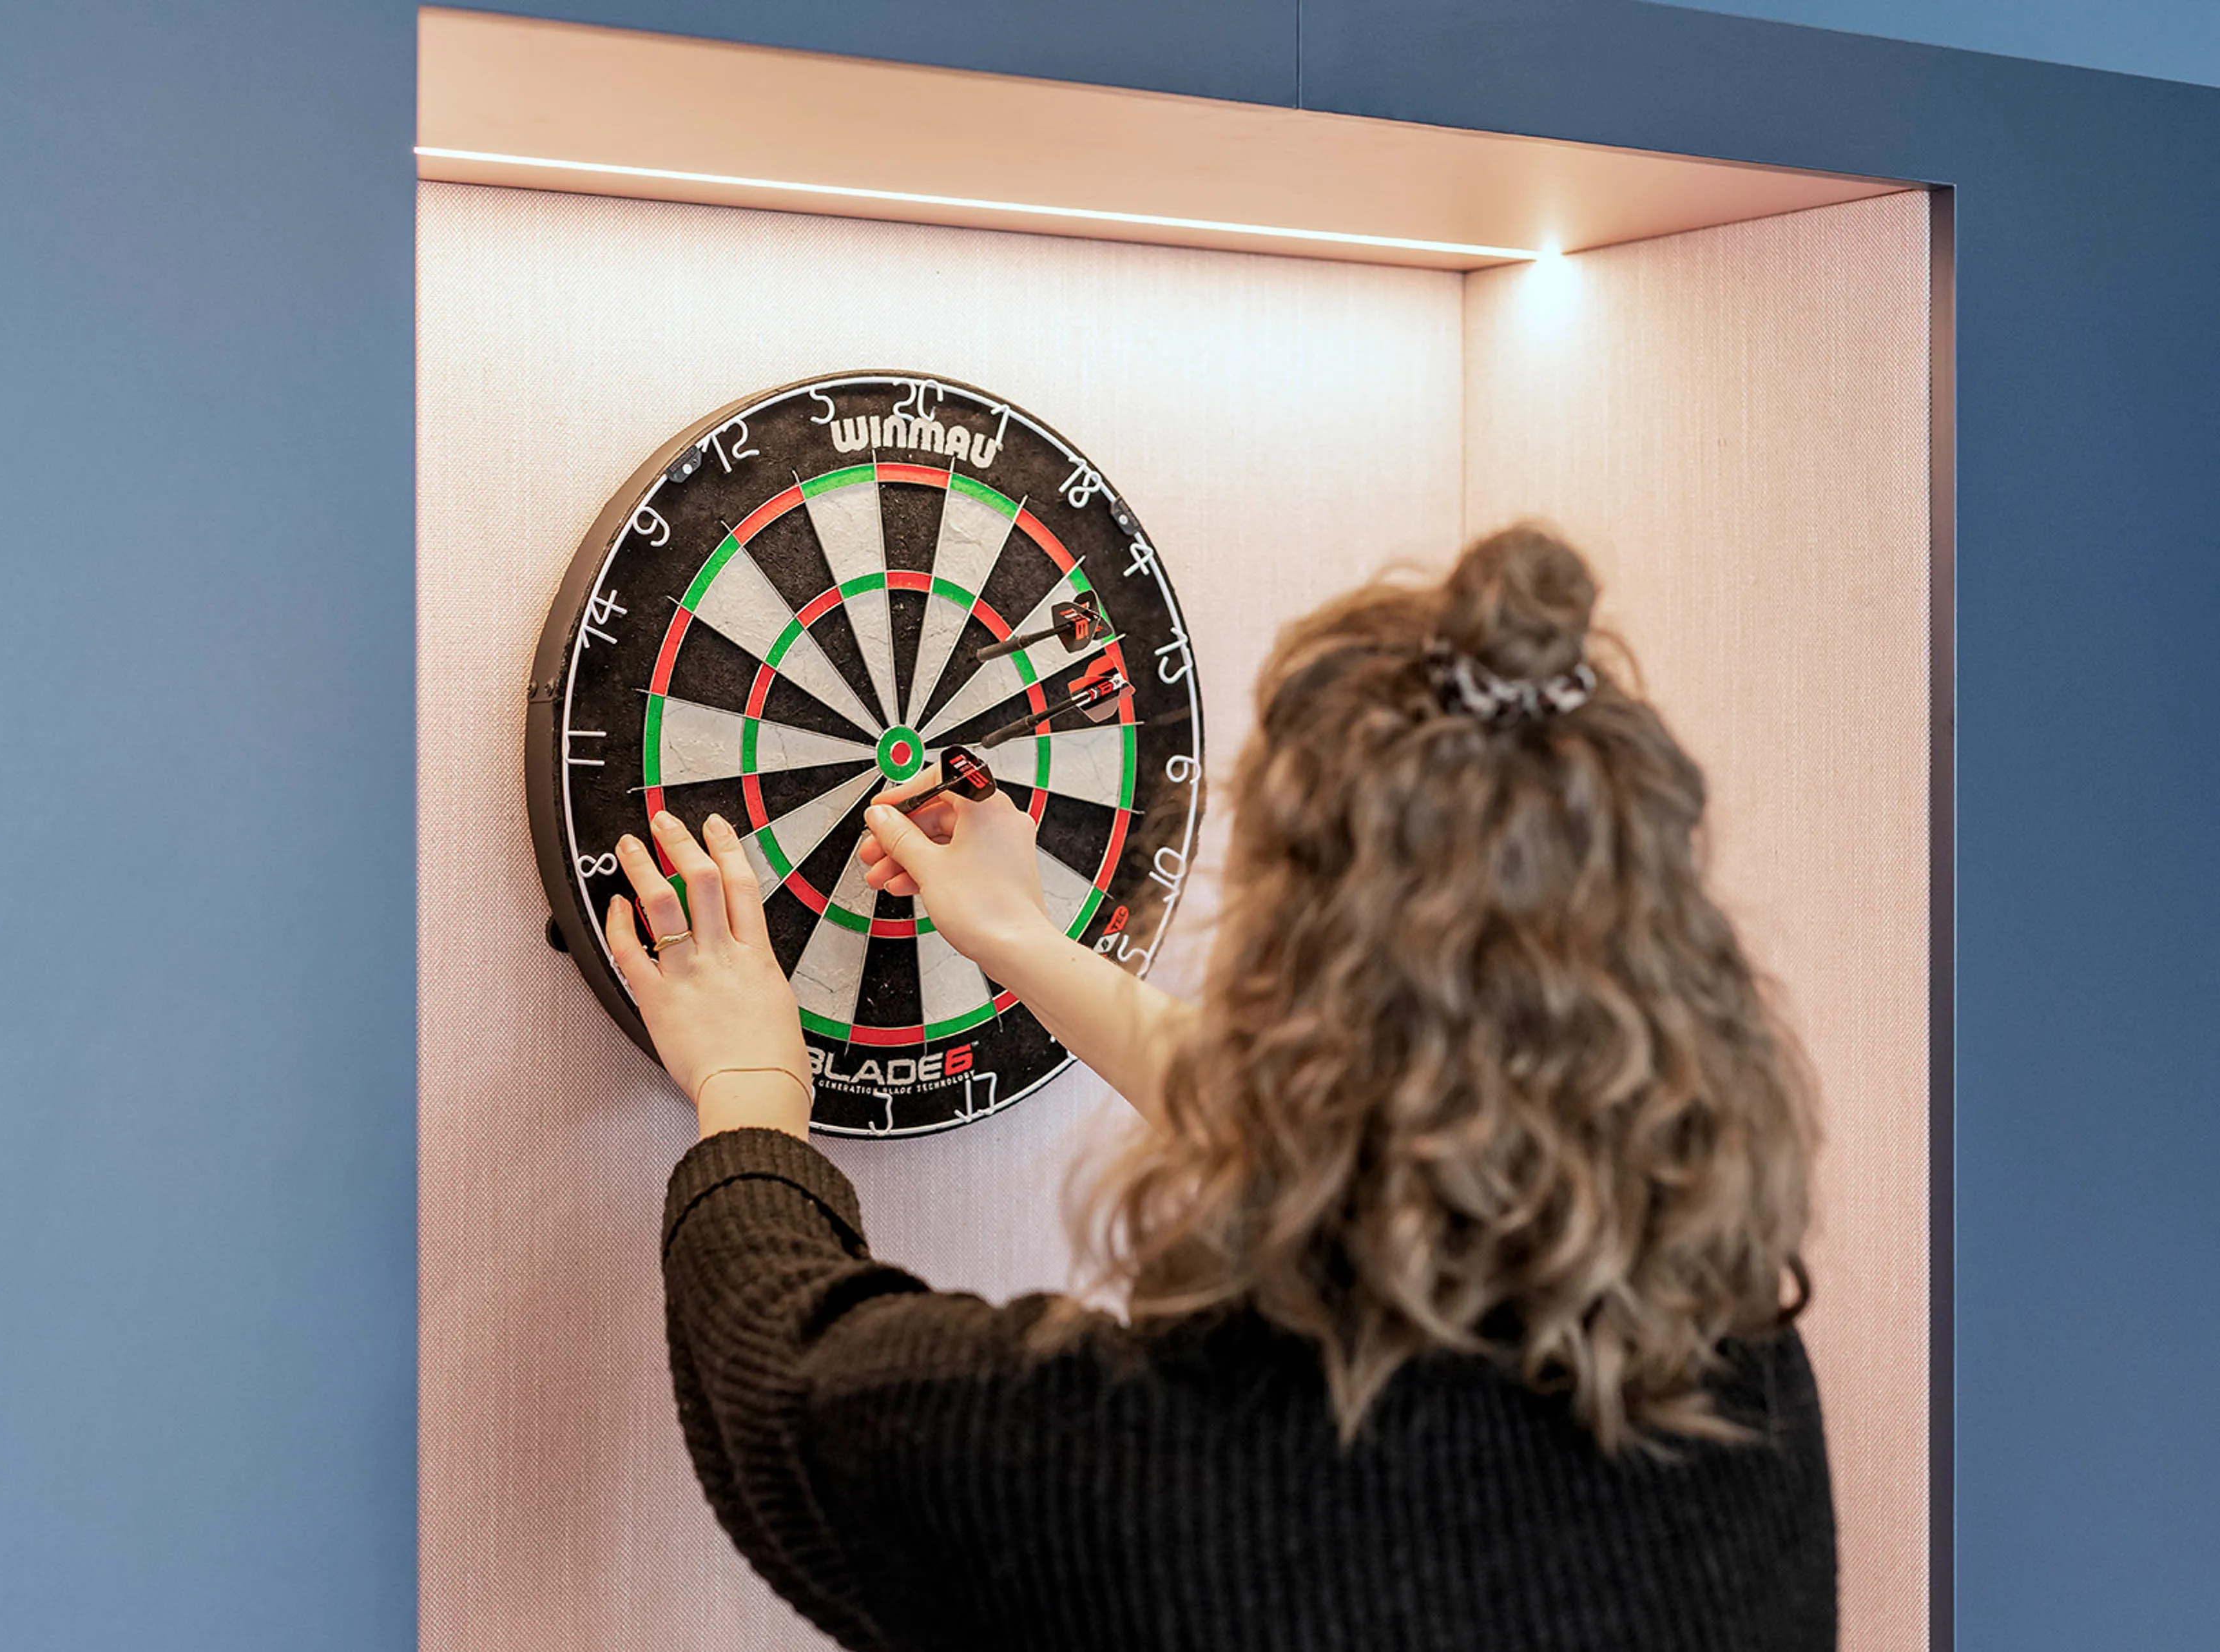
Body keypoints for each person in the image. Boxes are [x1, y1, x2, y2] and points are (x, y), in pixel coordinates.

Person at [606, 524, 1835, 1651]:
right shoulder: (1733, 1373)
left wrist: (751, 1080)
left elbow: (787, 1382)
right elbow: (1391, 1119)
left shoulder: (1148, 1473)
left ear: (1278, 966)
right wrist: (1028, 945)